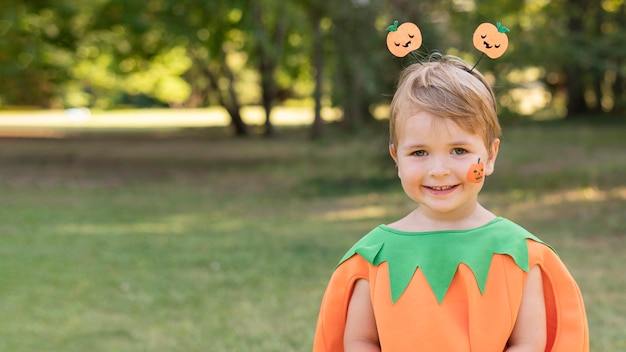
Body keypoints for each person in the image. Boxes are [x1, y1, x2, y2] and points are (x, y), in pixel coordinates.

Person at [313, 54, 589, 352]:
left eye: (458, 150)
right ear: (396, 158)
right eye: (419, 153)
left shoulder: (517, 253)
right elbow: (359, 340)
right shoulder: (374, 256)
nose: (439, 170)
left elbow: (528, 342)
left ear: (491, 155)